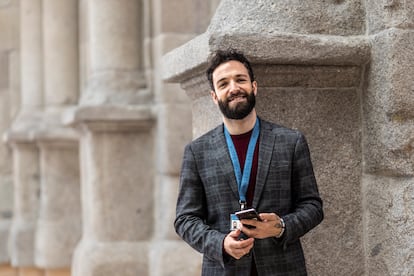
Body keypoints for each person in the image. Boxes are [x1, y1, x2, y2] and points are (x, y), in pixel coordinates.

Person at [174, 48, 323, 275]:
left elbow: (313, 206)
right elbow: (185, 219)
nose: (233, 88)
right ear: (214, 97)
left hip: (283, 268)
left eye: (240, 79)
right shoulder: (197, 151)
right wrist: (220, 243)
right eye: (223, 84)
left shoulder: (291, 141)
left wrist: (280, 227)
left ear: (254, 86)